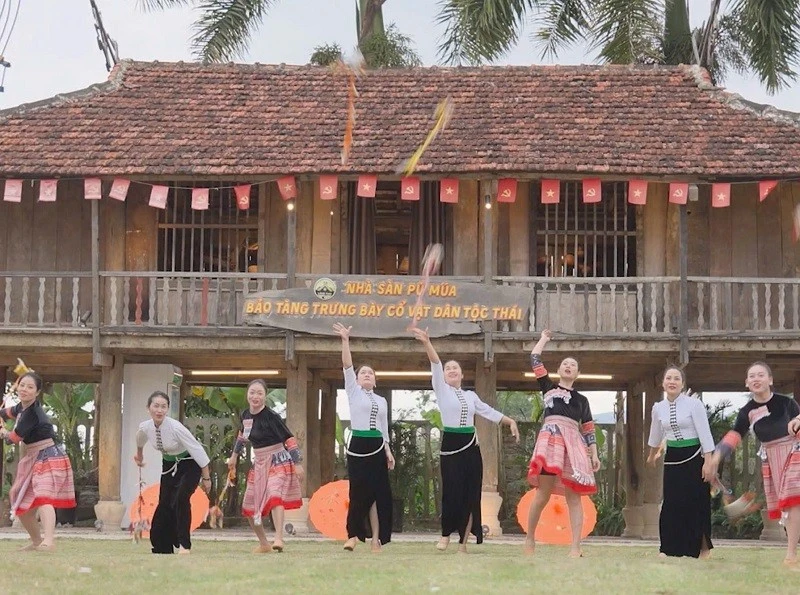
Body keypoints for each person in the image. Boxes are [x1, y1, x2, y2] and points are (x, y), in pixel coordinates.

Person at [411, 327, 520, 553]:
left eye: (455, 369)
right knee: (451, 492)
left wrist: (509, 421)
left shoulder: (470, 396)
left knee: (471, 494)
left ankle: (463, 543)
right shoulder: (441, 390)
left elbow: (488, 411)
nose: (451, 370)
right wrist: (427, 342)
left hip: (471, 446)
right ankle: (444, 536)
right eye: (448, 368)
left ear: (462, 375)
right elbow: (435, 363)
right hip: (451, 444)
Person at [706, 361, 800, 566]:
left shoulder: (787, 403)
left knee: (793, 501)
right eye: (752, 376)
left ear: (770, 380)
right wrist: (716, 456)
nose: (756, 379)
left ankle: (791, 555)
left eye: (761, 375)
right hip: (772, 458)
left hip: (795, 452)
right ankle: (792, 552)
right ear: (746, 383)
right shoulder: (747, 411)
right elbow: (734, 435)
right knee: (788, 505)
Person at [525, 329, 600, 558]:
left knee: (573, 495)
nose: (568, 366)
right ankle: (529, 538)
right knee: (543, 493)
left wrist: (594, 454)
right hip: (551, 443)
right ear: (558, 370)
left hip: (574, 447)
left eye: (573, 365)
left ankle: (575, 546)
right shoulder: (549, 388)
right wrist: (544, 338)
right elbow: (534, 358)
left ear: (577, 373)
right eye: (565, 364)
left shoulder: (582, 400)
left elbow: (587, 427)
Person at [334, 322, 395, 552]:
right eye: (363, 373)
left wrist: (388, 451)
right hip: (358, 445)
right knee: (358, 491)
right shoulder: (353, 392)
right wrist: (345, 340)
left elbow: (383, 428)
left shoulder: (381, 401)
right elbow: (347, 365)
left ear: (375, 380)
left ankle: (376, 539)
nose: (366, 375)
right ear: (357, 379)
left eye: (371, 373)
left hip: (378, 446)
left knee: (378, 494)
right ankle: (352, 535)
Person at [0, 372, 76, 551]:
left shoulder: (33, 413)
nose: (24, 389)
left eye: (30, 387)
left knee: (44, 496)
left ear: (37, 392)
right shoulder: (21, 407)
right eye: (22, 385)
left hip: (48, 455)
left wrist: (3, 432)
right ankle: (36, 541)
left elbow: (14, 438)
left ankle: (49, 541)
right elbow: (6, 412)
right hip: (32, 457)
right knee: (22, 505)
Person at [228, 379, 304, 553]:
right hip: (259, 462)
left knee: (275, 494)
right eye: (252, 392)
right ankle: (264, 543)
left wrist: (297, 464)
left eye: (259, 393)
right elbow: (241, 436)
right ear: (247, 394)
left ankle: (278, 538)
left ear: (265, 396)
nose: (255, 396)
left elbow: (289, 439)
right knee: (248, 505)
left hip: (278, 459)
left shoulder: (272, 417)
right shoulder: (245, 415)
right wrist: (233, 457)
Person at [646, 365, 714, 559]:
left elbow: (705, 434)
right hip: (672, 457)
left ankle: (703, 549)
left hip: (695, 456)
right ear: (663, 383)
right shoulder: (658, 408)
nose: (672, 382)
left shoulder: (694, 404)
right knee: (671, 504)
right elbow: (655, 435)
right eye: (669, 378)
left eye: (676, 378)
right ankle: (668, 548)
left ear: (683, 384)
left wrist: (707, 462)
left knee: (697, 502)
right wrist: (652, 456)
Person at [135, 390, 212, 554]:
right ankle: (163, 545)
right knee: (164, 503)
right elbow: (140, 439)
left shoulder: (176, 428)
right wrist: (139, 455)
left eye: (163, 407)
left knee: (181, 498)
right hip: (169, 464)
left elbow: (198, 451)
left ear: (167, 409)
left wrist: (206, 478)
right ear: (148, 408)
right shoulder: (146, 427)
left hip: (190, 463)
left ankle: (185, 545)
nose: (159, 410)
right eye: (156, 406)